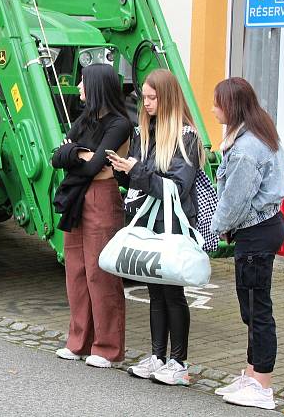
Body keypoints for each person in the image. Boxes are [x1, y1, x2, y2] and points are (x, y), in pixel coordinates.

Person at [108, 69, 204, 386]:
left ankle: (178, 362)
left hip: (173, 223)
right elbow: (142, 179)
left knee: (172, 293)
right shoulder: (144, 133)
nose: (146, 103)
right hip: (149, 221)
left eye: (152, 98)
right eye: (144, 97)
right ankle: (157, 356)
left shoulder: (186, 137)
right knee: (154, 292)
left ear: (168, 98)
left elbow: (177, 187)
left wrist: (137, 172)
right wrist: (123, 171)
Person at [209, 77, 284, 411]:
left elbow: (234, 200)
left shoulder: (245, 148)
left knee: (257, 310)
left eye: (217, 102)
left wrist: (215, 229)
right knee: (252, 306)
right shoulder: (256, 132)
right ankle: (251, 374)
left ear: (231, 105)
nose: (213, 108)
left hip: (256, 233)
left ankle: (263, 385)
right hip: (262, 229)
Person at [51, 63, 131, 368]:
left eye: (84, 83)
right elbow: (56, 157)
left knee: (102, 273)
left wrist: (77, 154)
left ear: (98, 86)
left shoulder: (119, 124)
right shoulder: (84, 119)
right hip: (76, 198)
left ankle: (107, 348)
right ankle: (78, 342)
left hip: (101, 197)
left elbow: (92, 166)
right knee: (76, 271)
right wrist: (78, 154)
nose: (80, 87)